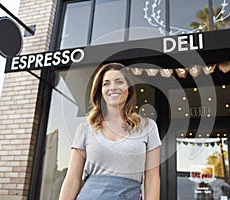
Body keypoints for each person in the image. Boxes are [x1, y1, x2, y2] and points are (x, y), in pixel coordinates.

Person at [59, 63, 162, 200]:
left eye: (119, 82)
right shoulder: (85, 129)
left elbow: (152, 179)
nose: (112, 87)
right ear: (100, 91)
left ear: (129, 89)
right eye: (106, 84)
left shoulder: (148, 127)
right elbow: (72, 181)